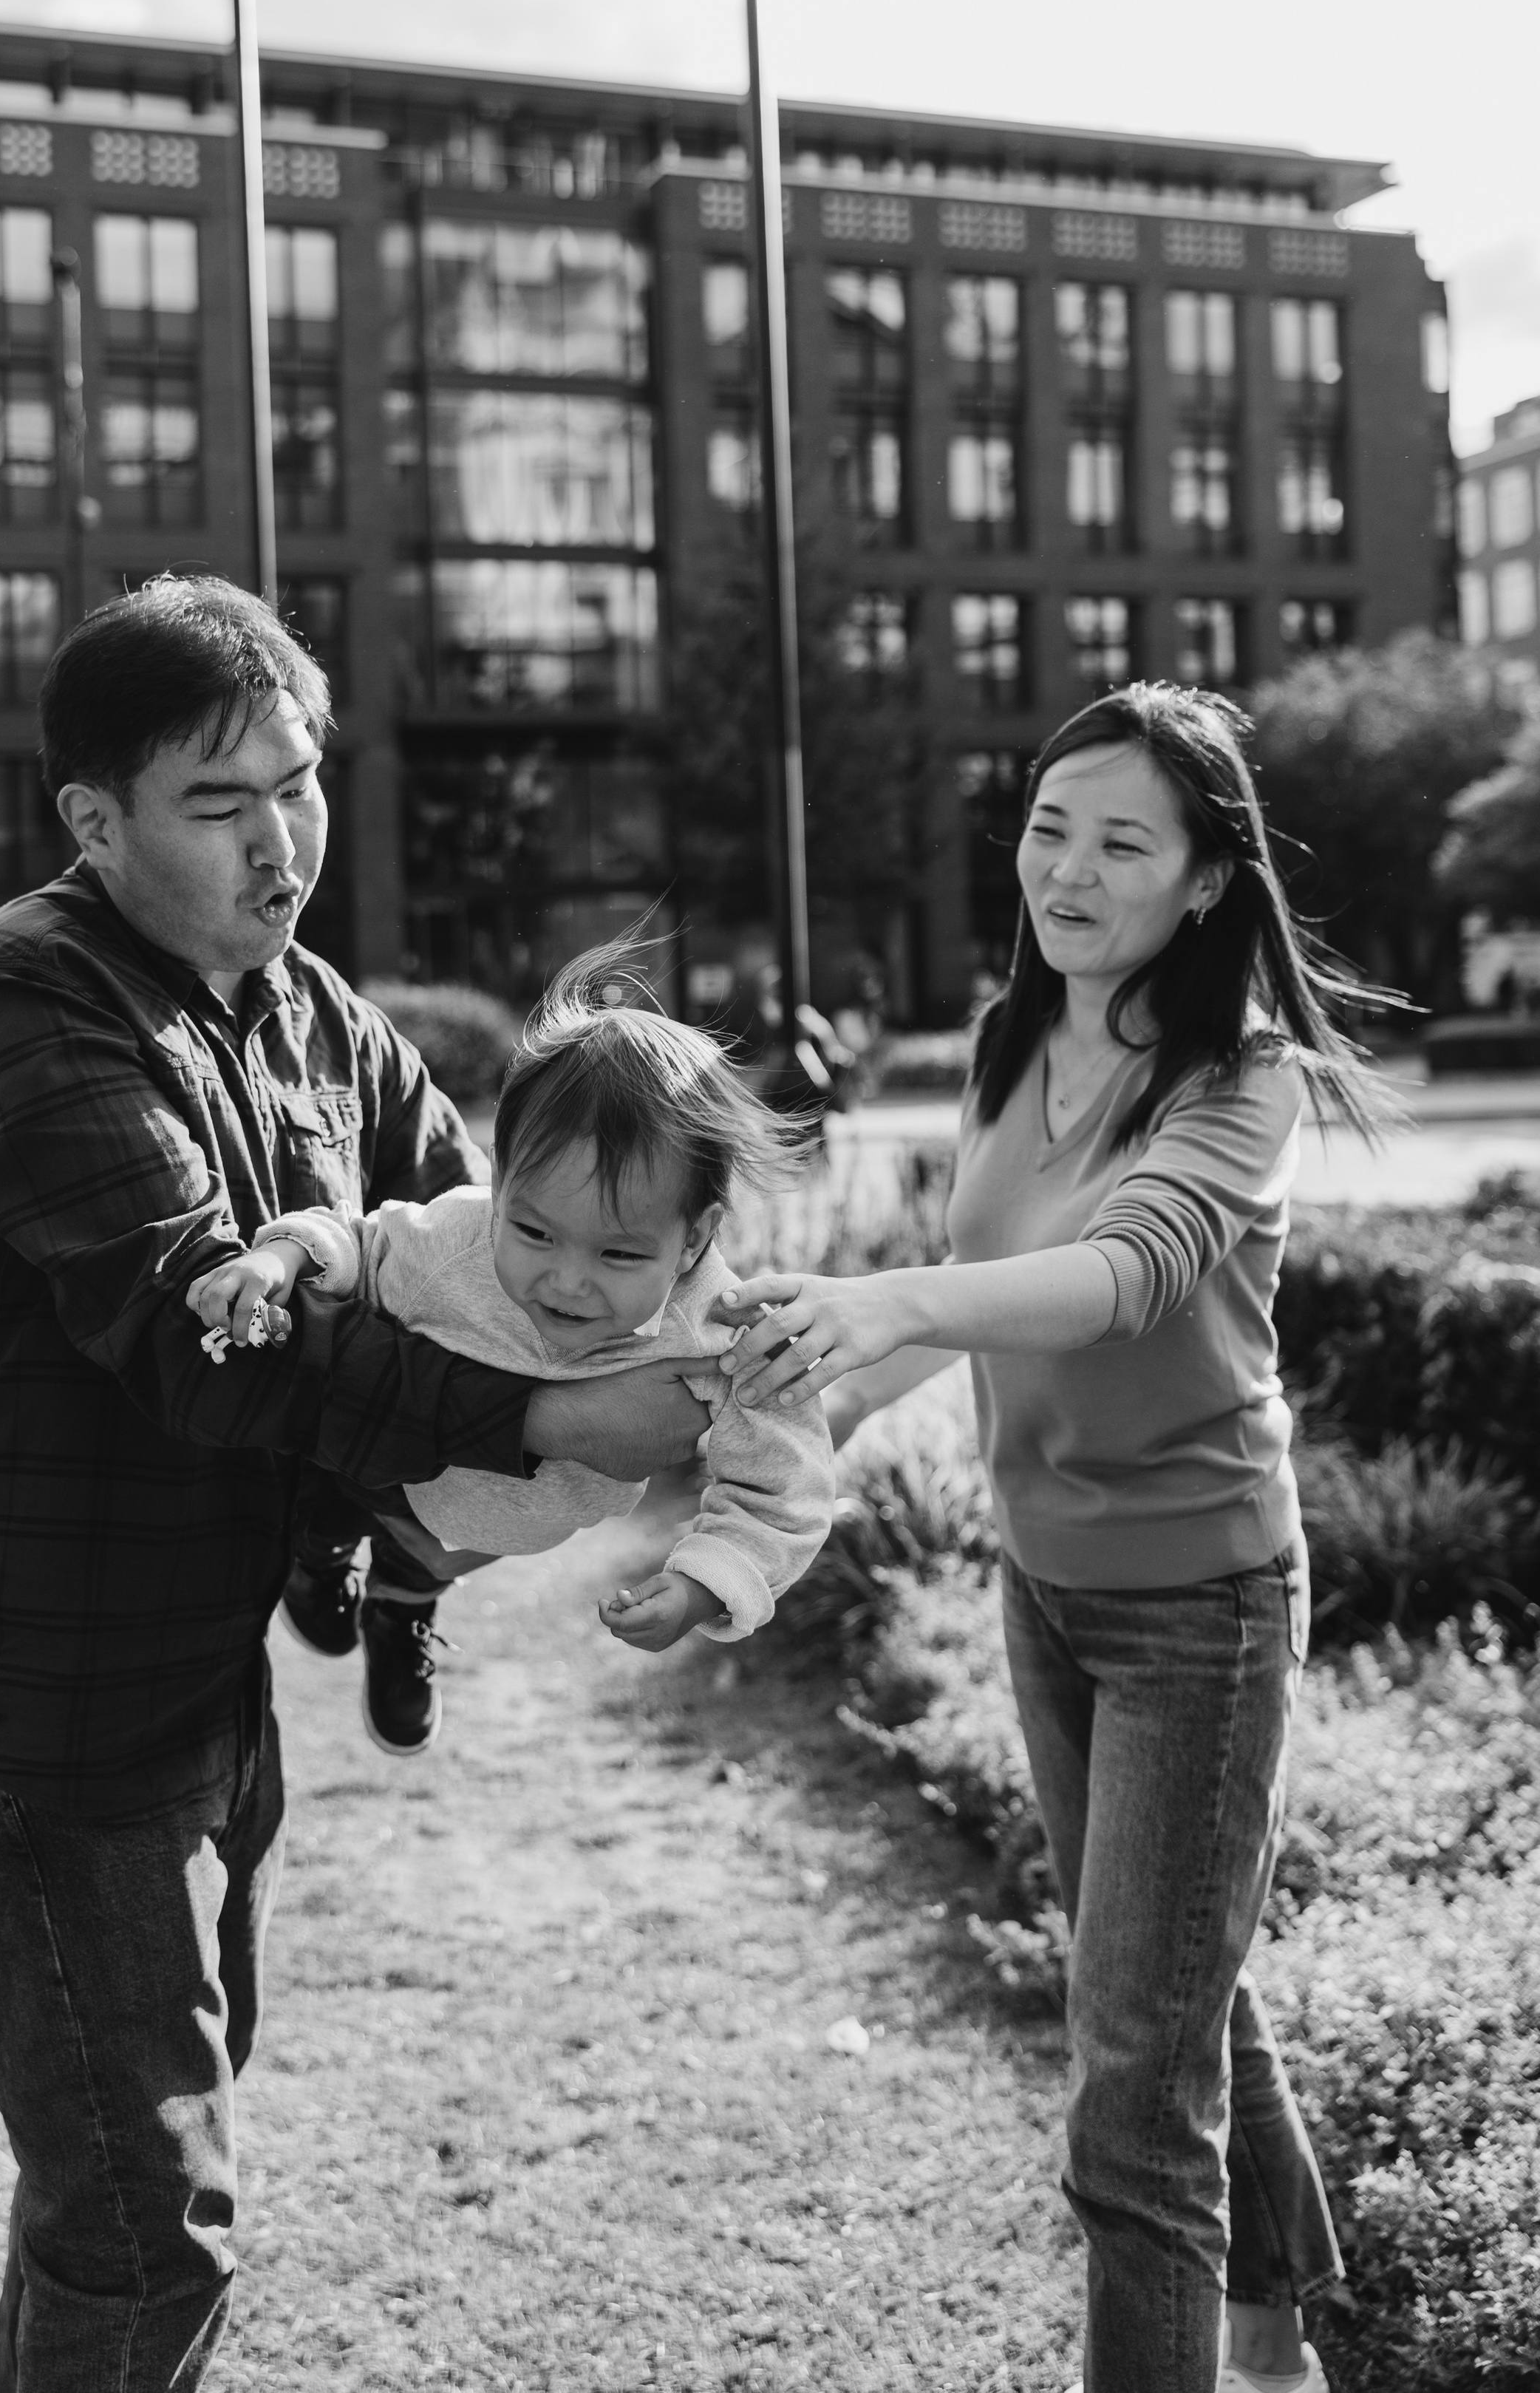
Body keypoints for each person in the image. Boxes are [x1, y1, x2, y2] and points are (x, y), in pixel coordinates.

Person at [0, 576, 712, 2393]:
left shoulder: (315, 1010)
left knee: (116, 2176)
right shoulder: (22, 1001)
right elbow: (211, 1342)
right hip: (27, 1707)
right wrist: (565, 1432)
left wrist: (660, 1332)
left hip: (200, 1682)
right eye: (220, 801)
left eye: (298, 783)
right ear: (96, 821)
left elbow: (470, 1256)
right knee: (148, 2227)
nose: (281, 840)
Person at [719, 682, 1380, 2393]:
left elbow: (1119, 1278)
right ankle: (1274, 2333)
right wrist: (783, 1440)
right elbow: (965, 1316)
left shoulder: (1243, 1082)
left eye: (1119, 842)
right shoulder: (1014, 1045)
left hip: (1202, 1611)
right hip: (1048, 1591)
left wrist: (875, 1297)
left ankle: (1236, 2338)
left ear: (1202, 882)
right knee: (1168, 1979)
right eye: (1044, 826)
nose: (1066, 872)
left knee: (1127, 2084)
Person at [185, 948, 836, 1723]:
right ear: (501, 1187)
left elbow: (783, 1486)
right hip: (393, 1470)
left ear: (692, 1241)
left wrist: (705, 1584)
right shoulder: (463, 1232)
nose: (565, 1281)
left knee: (431, 1561)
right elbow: (362, 1241)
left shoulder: (724, 1334)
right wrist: (283, 1254)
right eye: (532, 1231)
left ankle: (402, 1605)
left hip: (507, 1522)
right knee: (337, 1465)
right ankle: (320, 1550)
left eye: (618, 1254)